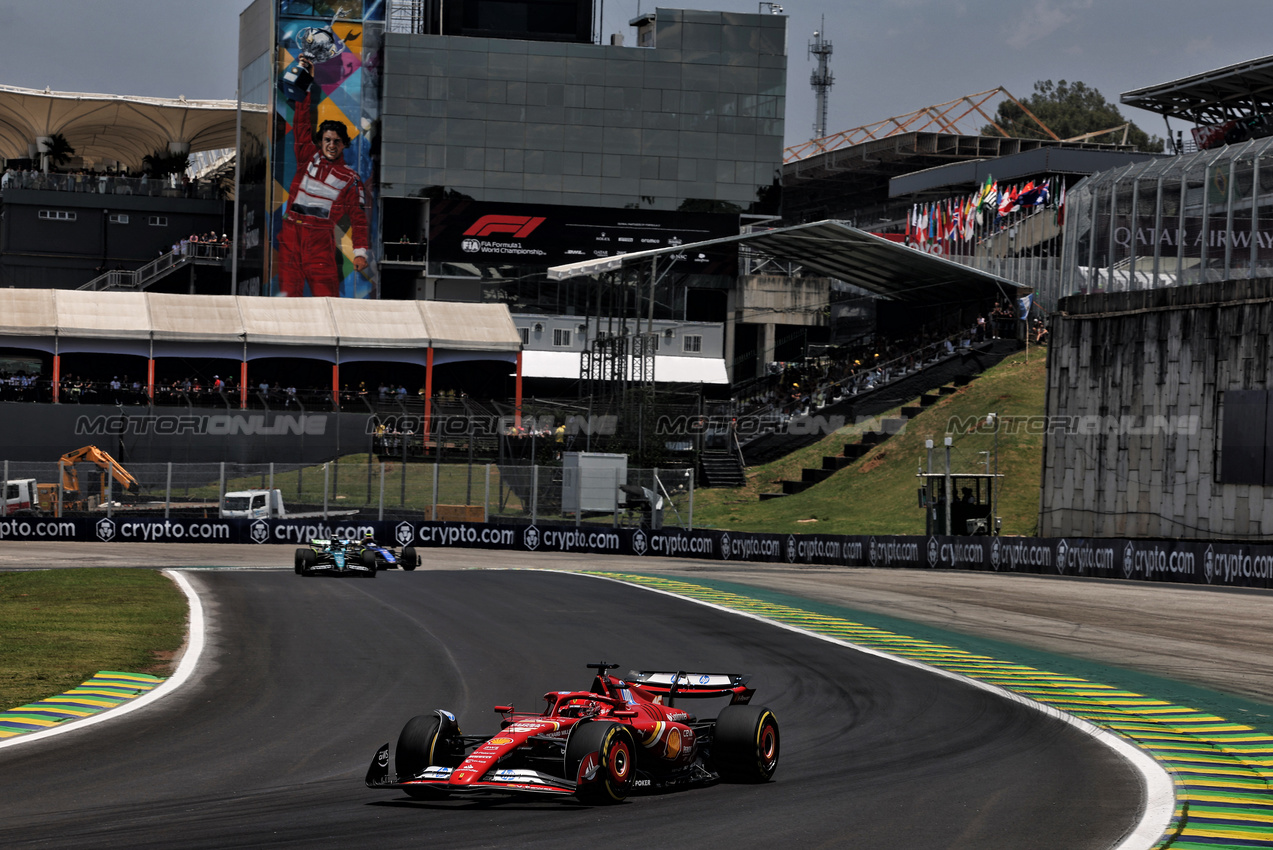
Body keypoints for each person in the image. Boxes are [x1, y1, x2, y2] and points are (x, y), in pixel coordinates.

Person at [277, 56, 369, 297]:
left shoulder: (350, 178)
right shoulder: (307, 155)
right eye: (327, 140)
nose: (331, 145)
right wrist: (306, 81)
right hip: (291, 234)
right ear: (320, 141)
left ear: (344, 145)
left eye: (337, 142)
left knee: (327, 299)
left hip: (319, 239)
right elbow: (302, 121)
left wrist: (360, 252)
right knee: (287, 299)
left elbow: (358, 219)